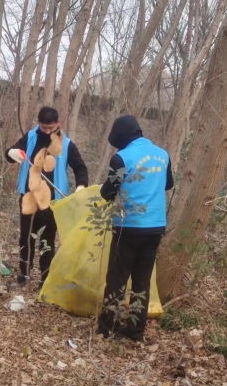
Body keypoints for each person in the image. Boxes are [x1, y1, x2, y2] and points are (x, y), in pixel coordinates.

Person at [97, 115, 174, 342]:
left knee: (117, 279)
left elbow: (108, 192)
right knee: (142, 282)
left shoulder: (121, 158)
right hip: (155, 227)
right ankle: (135, 332)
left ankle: (106, 328)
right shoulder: (163, 155)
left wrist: (104, 188)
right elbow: (168, 183)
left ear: (121, 137)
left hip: (128, 227)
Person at [5, 107, 89, 287]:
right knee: (26, 237)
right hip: (29, 196)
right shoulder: (30, 137)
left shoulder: (67, 144)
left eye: (51, 127)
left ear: (58, 123)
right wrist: (11, 153)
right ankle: (24, 274)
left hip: (53, 202)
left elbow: (80, 168)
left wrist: (81, 186)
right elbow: (12, 153)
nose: (48, 131)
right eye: (44, 127)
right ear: (39, 124)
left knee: (48, 240)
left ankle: (45, 277)